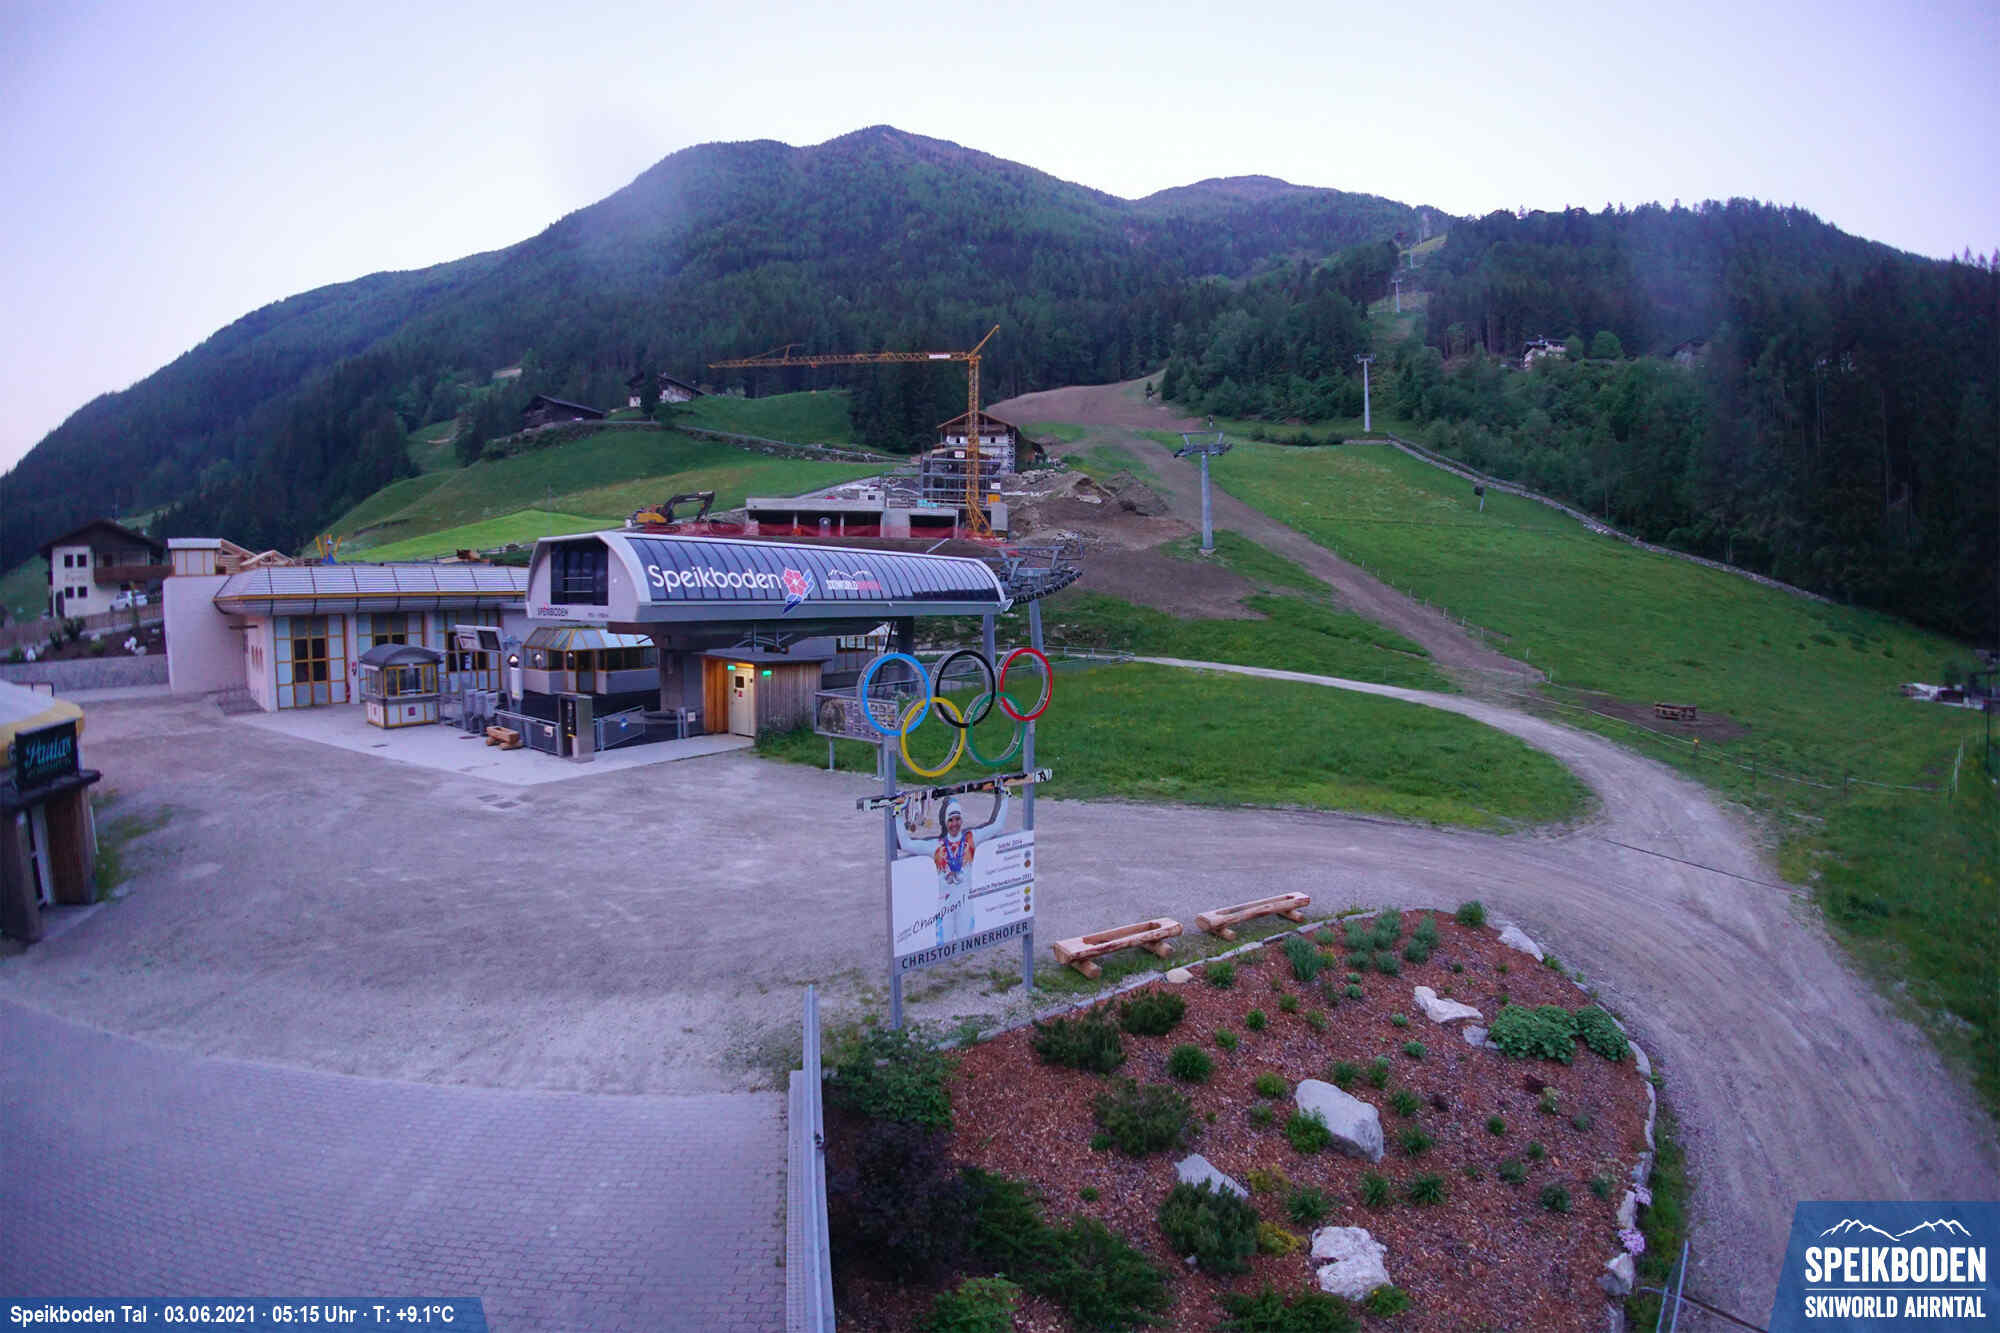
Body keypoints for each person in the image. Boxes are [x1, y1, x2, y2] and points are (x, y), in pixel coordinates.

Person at [896, 790, 1009, 945]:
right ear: (945, 822)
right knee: (943, 947)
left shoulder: (971, 838)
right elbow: (906, 844)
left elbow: (997, 826)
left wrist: (1005, 797)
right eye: (950, 820)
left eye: (957, 819)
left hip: (966, 903)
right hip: (945, 906)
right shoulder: (936, 846)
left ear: (961, 820)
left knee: (966, 945)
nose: (954, 823)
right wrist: (898, 813)